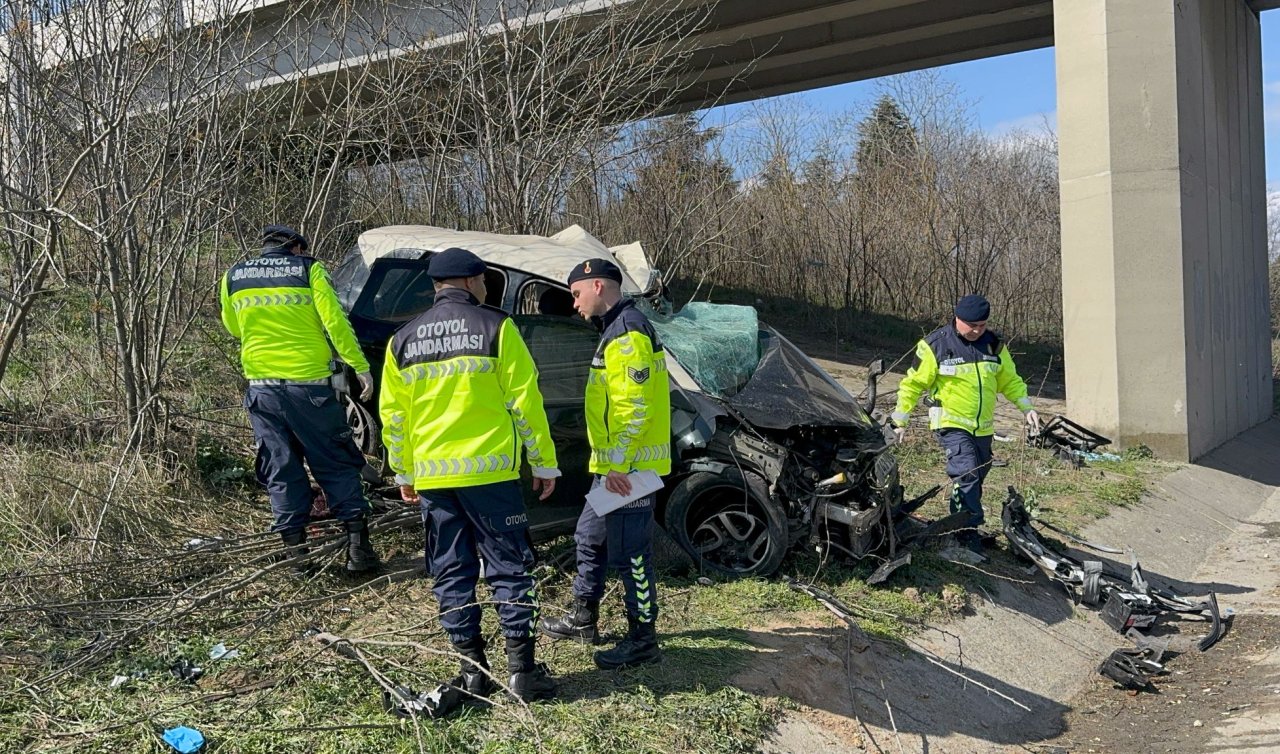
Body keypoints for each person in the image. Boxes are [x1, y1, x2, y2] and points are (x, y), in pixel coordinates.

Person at [379, 247, 561, 710]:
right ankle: (522, 673)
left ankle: (473, 674)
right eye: (485, 280)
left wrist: (404, 472)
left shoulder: (402, 339)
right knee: (510, 568)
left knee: (451, 572)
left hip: (436, 482)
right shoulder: (497, 327)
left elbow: (393, 418)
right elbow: (525, 401)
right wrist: (544, 463)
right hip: (491, 475)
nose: (486, 287)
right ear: (472, 281)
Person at [220, 224, 380, 572]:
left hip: (262, 389)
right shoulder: (309, 269)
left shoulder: (234, 275)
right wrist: (359, 366)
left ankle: (297, 558)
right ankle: (358, 553)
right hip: (310, 388)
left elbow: (234, 327)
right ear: (296, 247)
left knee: (280, 466)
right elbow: (335, 322)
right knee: (335, 461)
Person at [541, 258, 670, 670]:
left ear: (598, 286)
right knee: (589, 536)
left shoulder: (628, 332)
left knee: (632, 554)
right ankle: (583, 619)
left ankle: (643, 639)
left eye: (577, 294)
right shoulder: (615, 329)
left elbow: (636, 408)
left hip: (629, 471)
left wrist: (618, 464)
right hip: (615, 467)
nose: (575, 304)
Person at [890, 294, 1039, 555]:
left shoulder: (994, 346)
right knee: (967, 473)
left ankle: (955, 524)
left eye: (982, 325)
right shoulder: (934, 345)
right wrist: (899, 421)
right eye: (971, 325)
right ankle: (966, 532)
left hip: (982, 428)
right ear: (957, 318)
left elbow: (1011, 381)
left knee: (975, 476)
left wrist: (1027, 408)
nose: (976, 330)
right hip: (951, 424)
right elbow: (912, 385)